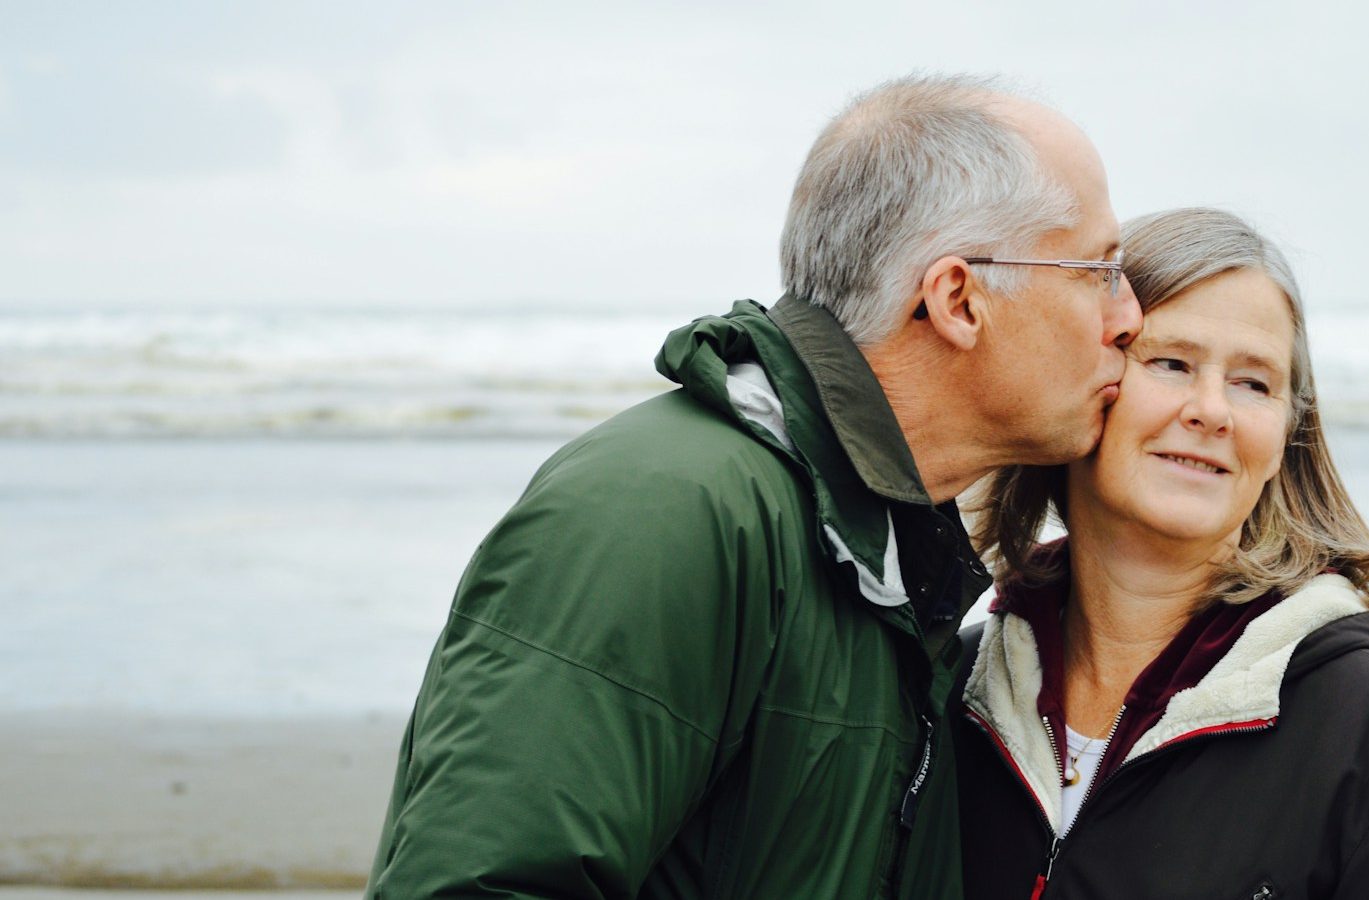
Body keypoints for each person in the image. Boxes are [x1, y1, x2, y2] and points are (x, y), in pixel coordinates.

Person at [363, 75, 1142, 899]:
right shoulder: (665, 510)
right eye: (1099, 269)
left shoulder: (887, 549)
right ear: (957, 299)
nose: (1128, 316)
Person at [952, 208, 1369, 899]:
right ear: (1087, 379)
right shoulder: (951, 693)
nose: (1211, 410)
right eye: (1171, 363)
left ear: (1288, 433)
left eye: (1253, 382)